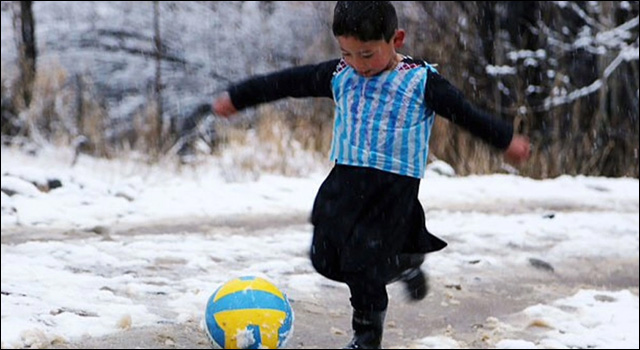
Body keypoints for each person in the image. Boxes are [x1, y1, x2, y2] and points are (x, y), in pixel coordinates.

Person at [212, 2, 531, 348]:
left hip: (392, 190)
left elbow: (466, 114)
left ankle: (367, 334)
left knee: (361, 264)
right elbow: (286, 82)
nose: (357, 64)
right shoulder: (340, 74)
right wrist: (238, 97)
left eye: (366, 54)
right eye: (347, 53)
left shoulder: (420, 81)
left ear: (396, 39)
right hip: (345, 181)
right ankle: (405, 261)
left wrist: (505, 140)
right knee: (324, 258)